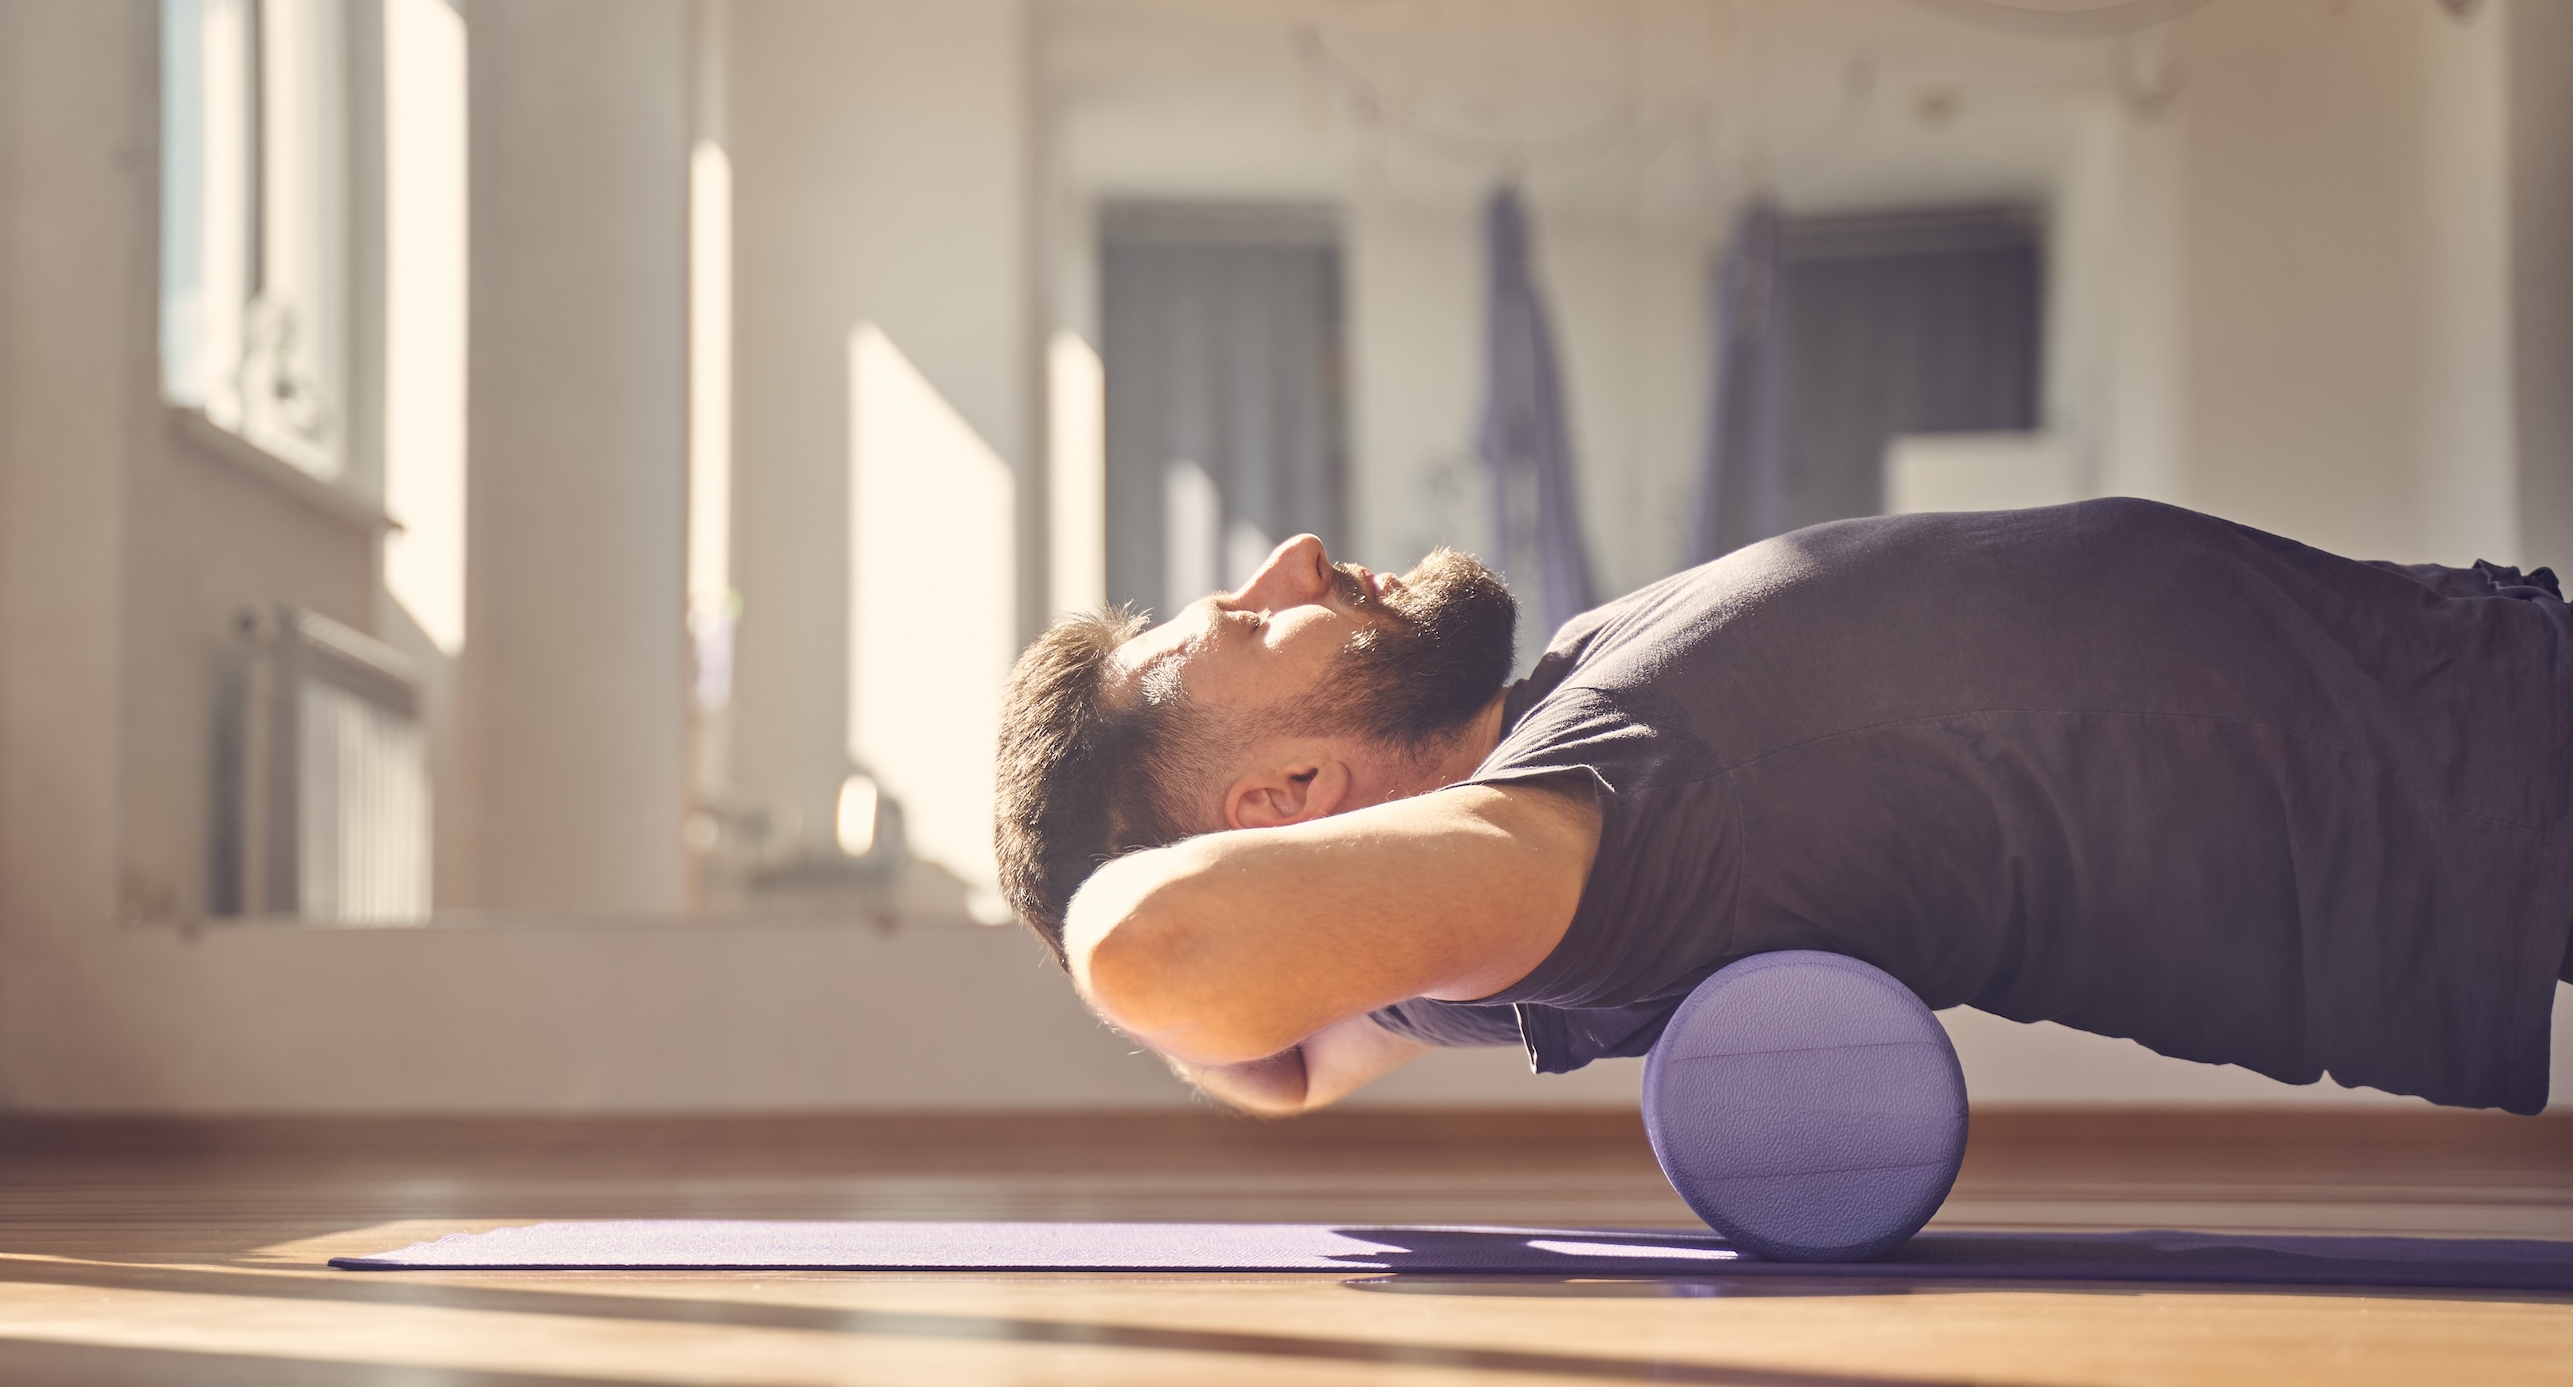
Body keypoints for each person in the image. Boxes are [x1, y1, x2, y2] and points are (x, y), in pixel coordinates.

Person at [992, 499, 2573, 1118]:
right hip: (2499, 782)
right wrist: (1099, 918)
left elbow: (1283, 1068)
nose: (1298, 565)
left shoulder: (1464, 910)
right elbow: (1163, 957)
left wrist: (1291, 905)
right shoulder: (1551, 849)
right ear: (1294, 797)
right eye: (1250, 628)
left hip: (2485, 686)